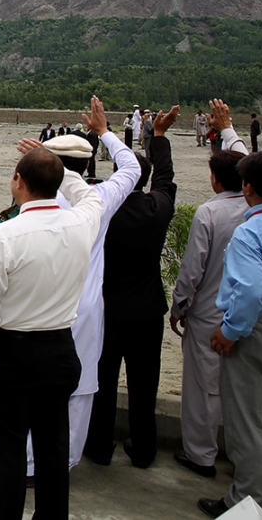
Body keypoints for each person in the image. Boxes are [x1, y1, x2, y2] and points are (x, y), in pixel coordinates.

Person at [6, 98, 140, 476]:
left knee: (35, 386)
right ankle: (63, 462)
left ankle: (30, 464)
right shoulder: (98, 201)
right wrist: (105, 133)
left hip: (40, 304)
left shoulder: (38, 197)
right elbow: (130, 168)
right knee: (81, 385)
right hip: (86, 306)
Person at [0, 149, 105, 520]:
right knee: (53, 447)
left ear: (18, 182)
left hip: (11, 352)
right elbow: (91, 197)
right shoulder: (81, 224)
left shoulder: (5, 235)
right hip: (59, 348)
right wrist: (63, 170)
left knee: (7, 452)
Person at [84, 105, 180, 468]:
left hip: (108, 308)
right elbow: (167, 179)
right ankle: (143, 449)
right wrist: (160, 138)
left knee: (103, 381)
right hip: (146, 310)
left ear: (119, 178)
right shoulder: (158, 208)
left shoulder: (101, 211)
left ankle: (99, 445)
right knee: (145, 384)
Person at [200, 149, 262, 518]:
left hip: (261, 332)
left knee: (251, 427)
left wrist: (232, 331)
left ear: (248, 188)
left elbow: (251, 291)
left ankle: (247, 503)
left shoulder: (250, 233)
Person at [169, 148, 247, 478]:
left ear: (215, 179)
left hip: (209, 313)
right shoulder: (254, 209)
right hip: (246, 313)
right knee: (242, 388)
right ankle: (242, 456)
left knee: (203, 388)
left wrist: (179, 306)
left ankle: (201, 454)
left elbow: (192, 270)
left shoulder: (209, 213)